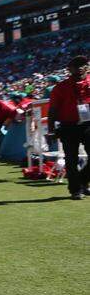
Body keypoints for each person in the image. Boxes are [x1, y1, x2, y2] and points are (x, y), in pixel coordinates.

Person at [47, 55, 90, 199]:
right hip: (68, 126)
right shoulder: (60, 87)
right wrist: (51, 129)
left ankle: (83, 180)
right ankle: (75, 190)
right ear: (69, 69)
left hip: (88, 124)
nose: (80, 68)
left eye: (83, 64)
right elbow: (52, 110)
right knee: (71, 160)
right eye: (76, 65)